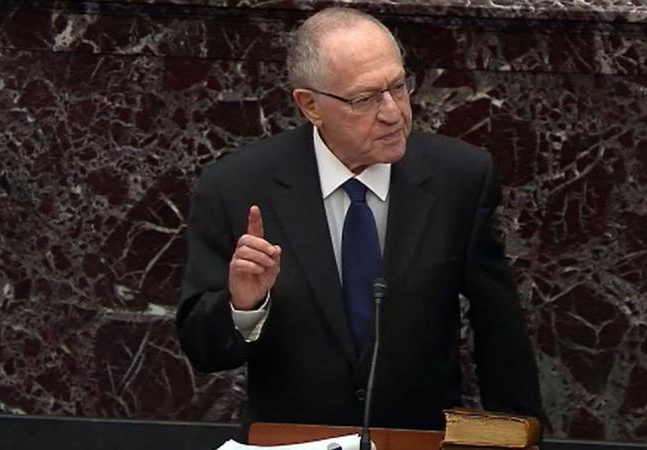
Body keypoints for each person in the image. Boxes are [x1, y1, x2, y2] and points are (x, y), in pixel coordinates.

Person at [176, 7, 542, 432]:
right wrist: (244, 305)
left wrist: (515, 439)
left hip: (416, 441)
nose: (392, 113)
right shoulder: (237, 187)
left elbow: (501, 338)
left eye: (398, 87)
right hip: (291, 441)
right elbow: (203, 351)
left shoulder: (459, 179)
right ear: (310, 105)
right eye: (364, 99)